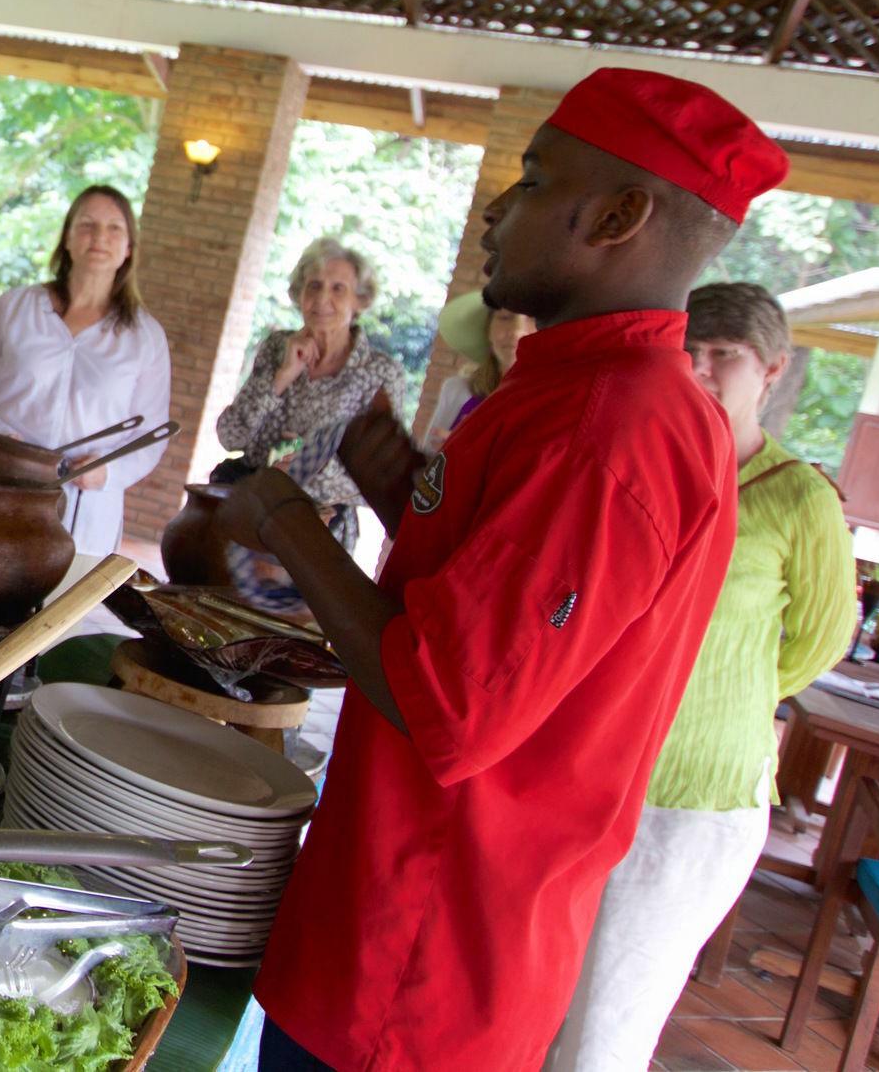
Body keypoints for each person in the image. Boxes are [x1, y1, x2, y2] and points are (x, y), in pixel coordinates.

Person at [215, 67, 786, 1071]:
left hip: (423, 949)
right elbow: (512, 616)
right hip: (415, 913)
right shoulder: (588, 390)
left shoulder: (605, 429)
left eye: (529, 181)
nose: (494, 210)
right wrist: (402, 495)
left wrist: (282, 517)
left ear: (615, 214)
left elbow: (448, 699)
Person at [545, 282, 856, 1072]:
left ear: (773, 370)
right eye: (694, 352)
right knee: (541, 994)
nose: (704, 369)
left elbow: (818, 642)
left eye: (727, 355)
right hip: (595, 767)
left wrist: (717, 689)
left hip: (695, 793)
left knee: (609, 1022)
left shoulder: (800, 497)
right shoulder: (653, 462)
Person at [0, 185, 171, 556]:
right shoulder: (17, 307)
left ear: (129, 247)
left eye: (115, 228)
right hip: (0, 487)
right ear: (67, 237)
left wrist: (108, 473)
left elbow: (151, 434)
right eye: (87, 224)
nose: (100, 237)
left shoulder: (145, 336)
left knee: (63, 610)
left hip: (86, 510)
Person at [215, 237, 408, 551]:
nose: (322, 299)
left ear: (359, 300)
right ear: (299, 294)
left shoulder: (380, 374)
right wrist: (282, 376)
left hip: (319, 533)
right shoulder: (277, 348)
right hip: (248, 516)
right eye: (314, 286)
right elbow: (230, 435)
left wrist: (307, 466)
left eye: (337, 289)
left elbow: (384, 480)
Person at [420, 290, 535, 449]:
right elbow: (426, 462)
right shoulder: (457, 390)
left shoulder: (561, 410)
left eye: (534, 319)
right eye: (504, 317)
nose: (516, 331)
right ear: (488, 331)